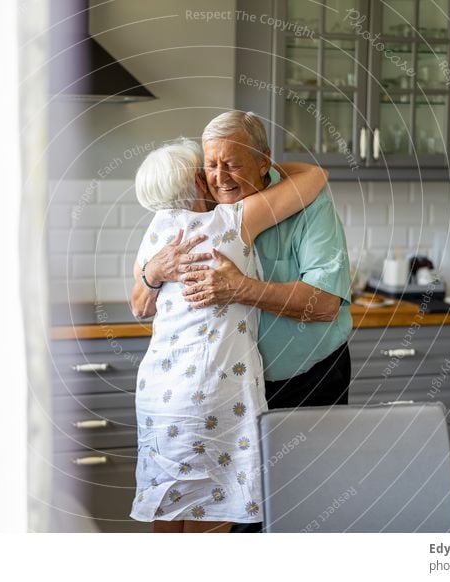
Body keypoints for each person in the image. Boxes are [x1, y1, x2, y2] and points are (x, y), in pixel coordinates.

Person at [130, 112, 353, 533]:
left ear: (263, 162)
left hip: (305, 383)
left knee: (298, 515)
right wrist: (152, 273)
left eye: (232, 164)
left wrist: (240, 288)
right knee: (230, 515)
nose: (219, 177)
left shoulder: (299, 208)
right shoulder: (216, 217)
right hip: (225, 394)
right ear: (197, 178)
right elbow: (141, 301)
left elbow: (324, 306)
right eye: (210, 166)